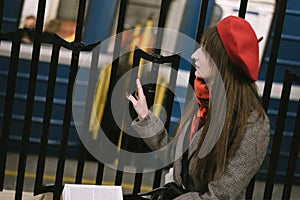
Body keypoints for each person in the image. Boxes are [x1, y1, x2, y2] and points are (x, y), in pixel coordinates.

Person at [126, 15, 270, 199]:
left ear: (222, 63)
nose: (194, 56)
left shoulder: (254, 126)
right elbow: (176, 157)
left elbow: (218, 196)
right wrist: (146, 117)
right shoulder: (204, 102)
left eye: (205, 50)